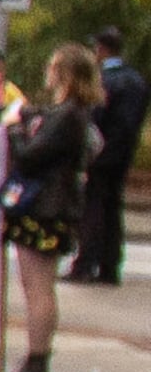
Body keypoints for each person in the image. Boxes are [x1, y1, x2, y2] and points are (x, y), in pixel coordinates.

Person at [0, 46, 99, 372]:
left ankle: (37, 360)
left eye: (53, 66)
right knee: (37, 287)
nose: (47, 71)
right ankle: (36, 359)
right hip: (52, 207)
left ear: (65, 74)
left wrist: (13, 130)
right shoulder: (68, 113)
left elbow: (30, 157)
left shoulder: (68, 116)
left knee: (38, 288)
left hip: (45, 209)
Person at [64, 26, 139, 288]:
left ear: (101, 49)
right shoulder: (135, 80)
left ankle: (86, 262)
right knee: (112, 208)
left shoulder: (104, 81)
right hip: (123, 154)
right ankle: (110, 265)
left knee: (92, 207)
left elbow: (95, 120)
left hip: (100, 154)